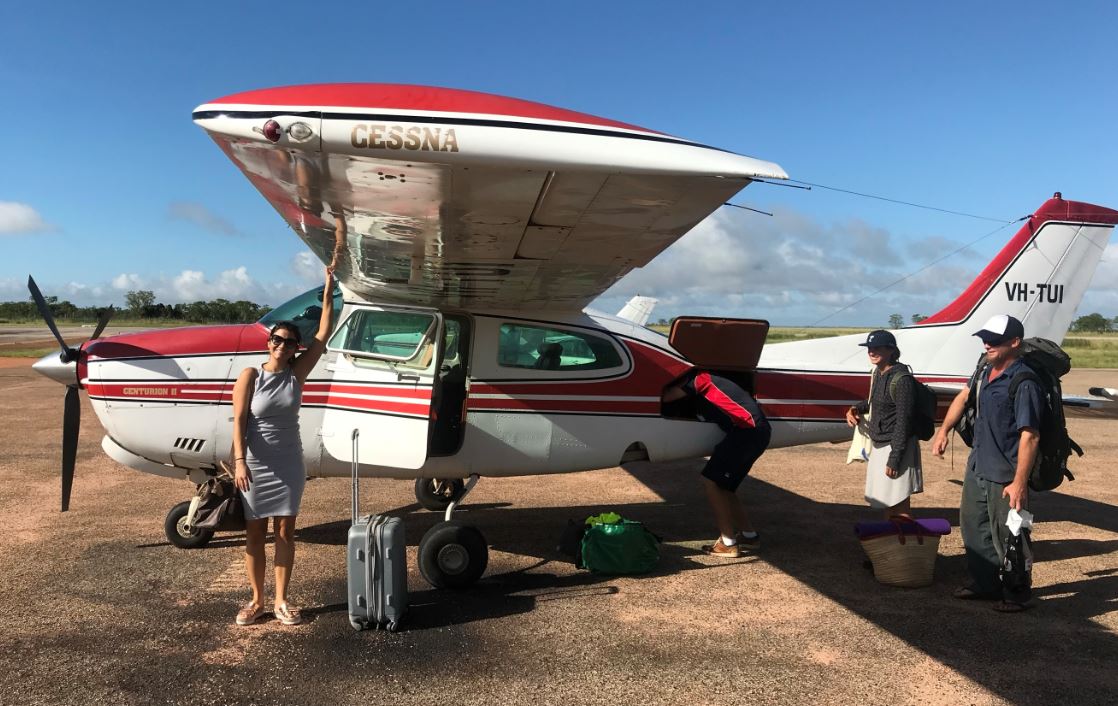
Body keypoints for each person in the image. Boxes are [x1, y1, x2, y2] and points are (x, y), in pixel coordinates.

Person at [231, 261, 336, 626]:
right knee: (255, 533)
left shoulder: (297, 373)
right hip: (256, 464)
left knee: (285, 532)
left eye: (289, 342)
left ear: (295, 348)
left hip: (289, 462)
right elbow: (240, 420)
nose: (281, 345)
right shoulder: (250, 376)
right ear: (268, 342)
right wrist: (240, 461)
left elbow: (323, 334)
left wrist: (328, 289)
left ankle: (281, 600)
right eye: (276, 339)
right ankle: (257, 600)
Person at [931, 314, 1041, 613]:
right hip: (978, 464)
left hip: (1006, 473)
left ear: (1014, 342)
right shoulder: (983, 371)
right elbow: (964, 398)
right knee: (973, 525)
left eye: (994, 339)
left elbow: (1029, 436)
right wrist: (943, 430)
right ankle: (986, 584)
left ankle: (1016, 593)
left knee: (1012, 533)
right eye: (985, 338)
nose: (987, 343)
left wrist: (1019, 481)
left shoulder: (1023, 380)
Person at [662, 370, 771, 558]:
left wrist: (666, 381)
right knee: (726, 488)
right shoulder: (715, 379)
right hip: (758, 432)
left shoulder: (701, 378)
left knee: (710, 481)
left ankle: (728, 543)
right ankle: (749, 536)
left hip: (746, 431)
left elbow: (667, 397)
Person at [845, 330, 924, 519]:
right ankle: (892, 546)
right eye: (869, 348)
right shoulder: (878, 373)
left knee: (900, 507)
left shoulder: (902, 379)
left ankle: (906, 546)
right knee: (887, 504)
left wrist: (895, 457)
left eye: (877, 348)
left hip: (896, 447)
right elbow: (875, 403)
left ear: (891, 350)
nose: (871, 352)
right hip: (881, 445)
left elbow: (904, 421)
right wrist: (855, 408)